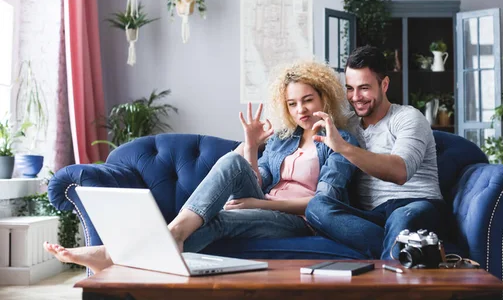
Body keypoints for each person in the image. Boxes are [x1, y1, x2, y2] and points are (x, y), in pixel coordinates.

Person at [44, 61, 358, 273]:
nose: (301, 109)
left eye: (308, 100)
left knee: (218, 221)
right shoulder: (284, 139)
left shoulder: (340, 141)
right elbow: (255, 180)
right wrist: (250, 144)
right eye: (292, 103)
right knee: (233, 162)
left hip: (300, 220)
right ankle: (165, 238)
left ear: (324, 97)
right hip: (263, 207)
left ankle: (119, 255)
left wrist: (257, 203)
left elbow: (325, 203)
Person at [306, 45, 446, 260]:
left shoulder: (408, 117)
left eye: (364, 88)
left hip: (416, 205)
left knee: (401, 217)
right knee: (316, 207)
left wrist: (343, 147)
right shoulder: (347, 125)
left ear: (385, 84)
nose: (355, 97)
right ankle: (400, 251)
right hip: (373, 215)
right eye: (350, 88)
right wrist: (254, 143)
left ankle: (391, 273)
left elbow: (400, 172)